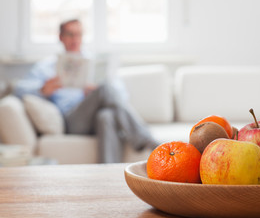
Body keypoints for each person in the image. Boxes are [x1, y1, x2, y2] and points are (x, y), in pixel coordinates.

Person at [14, 19, 158, 163]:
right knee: (105, 88)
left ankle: (107, 174)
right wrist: (42, 89)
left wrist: (95, 93)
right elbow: (19, 90)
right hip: (71, 120)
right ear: (61, 37)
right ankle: (145, 138)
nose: (75, 39)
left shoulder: (94, 62)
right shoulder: (47, 66)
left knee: (106, 115)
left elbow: (121, 95)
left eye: (79, 35)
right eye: (70, 34)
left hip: (95, 117)